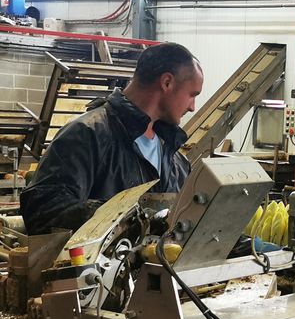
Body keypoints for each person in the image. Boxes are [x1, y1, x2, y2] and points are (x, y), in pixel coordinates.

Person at [21, 42, 202, 235]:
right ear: (167, 82)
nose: (192, 107)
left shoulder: (176, 159)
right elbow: (43, 212)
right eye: (192, 95)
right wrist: (128, 219)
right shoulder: (86, 135)